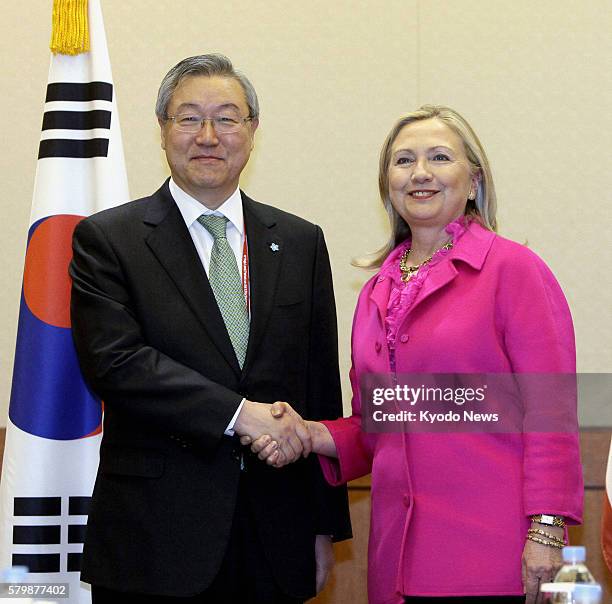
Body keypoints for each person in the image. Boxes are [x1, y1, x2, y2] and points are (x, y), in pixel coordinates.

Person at [245, 105, 583, 604]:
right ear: (388, 185)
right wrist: (311, 434)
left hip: (494, 557)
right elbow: (376, 427)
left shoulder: (515, 271)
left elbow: (551, 410)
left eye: (440, 157)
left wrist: (547, 530)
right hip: (398, 561)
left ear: (473, 181)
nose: (419, 173)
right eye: (403, 161)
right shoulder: (374, 292)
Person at [69, 53, 351, 604]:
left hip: (276, 534)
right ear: (162, 130)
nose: (207, 135)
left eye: (226, 118)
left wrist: (324, 528)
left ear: (251, 132)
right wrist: (238, 414)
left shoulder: (299, 241)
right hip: (155, 539)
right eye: (188, 117)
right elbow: (116, 363)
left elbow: (320, 390)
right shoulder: (108, 239)